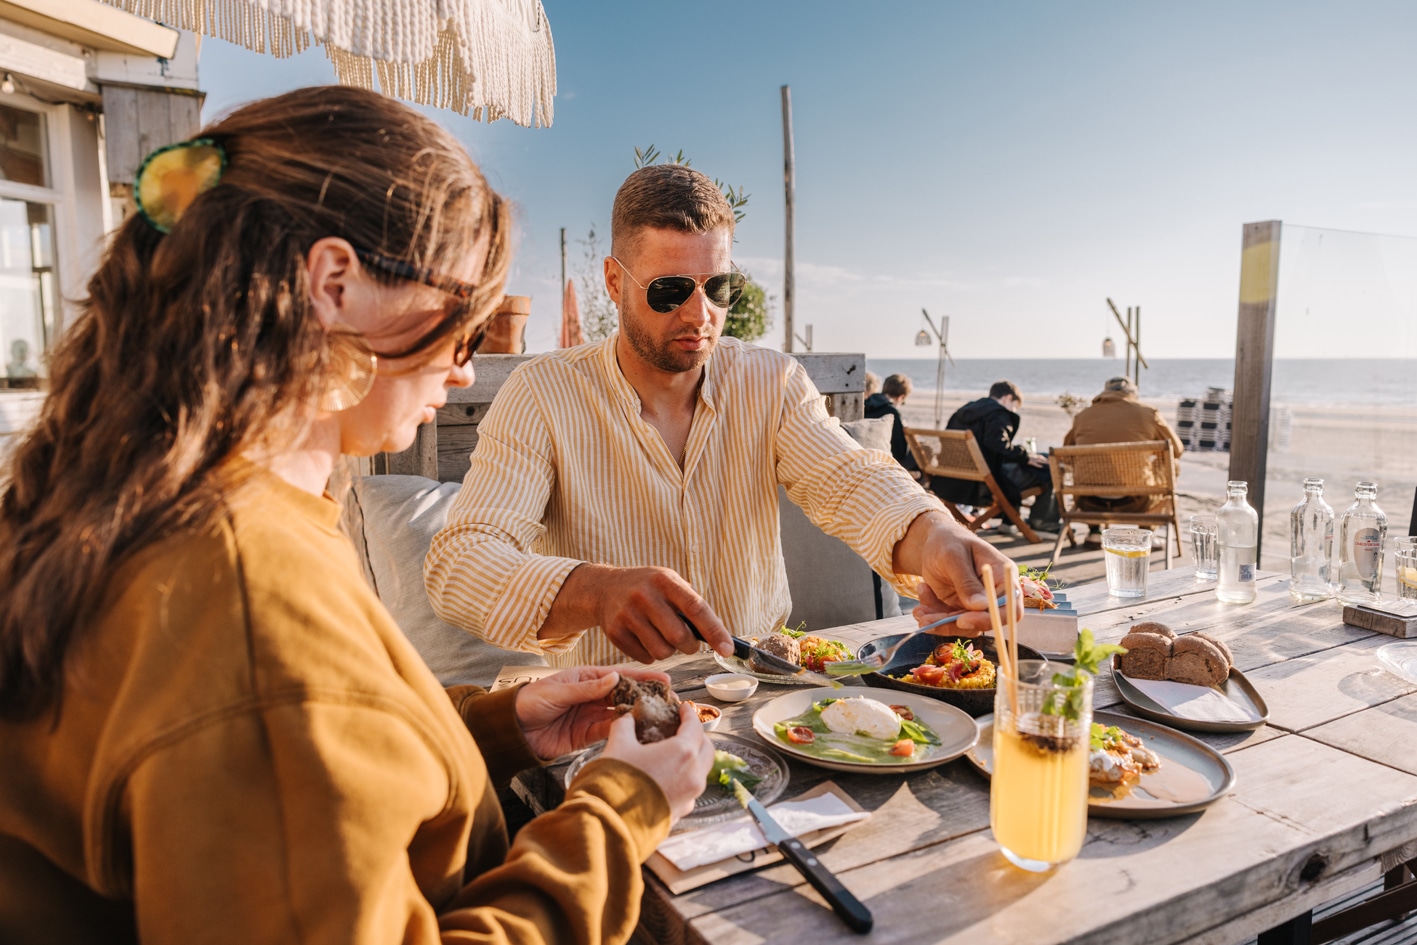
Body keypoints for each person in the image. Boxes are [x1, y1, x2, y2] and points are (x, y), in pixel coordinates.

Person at [0, 87, 712, 945]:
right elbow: (280, 716)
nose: (464, 368)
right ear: (335, 284)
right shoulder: (245, 599)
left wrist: (492, 727)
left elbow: (296, 782)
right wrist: (618, 808)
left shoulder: (155, 495)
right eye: (464, 320)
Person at [426, 164, 1018, 667]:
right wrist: (595, 591)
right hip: (608, 709)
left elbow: (852, 482)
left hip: (762, 692)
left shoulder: (771, 381)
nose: (700, 313)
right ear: (614, 280)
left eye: (719, 288)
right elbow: (464, 561)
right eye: (669, 291)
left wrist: (938, 534)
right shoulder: (542, 394)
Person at [1064, 375, 1185, 547]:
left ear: (1104, 393)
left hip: (1089, 501)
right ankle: (1146, 531)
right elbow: (1177, 450)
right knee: (1172, 464)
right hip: (1137, 502)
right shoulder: (1148, 412)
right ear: (1132, 394)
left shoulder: (1083, 416)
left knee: (1087, 467)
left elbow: (1066, 456)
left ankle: (1095, 531)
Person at [929, 380, 1062, 535]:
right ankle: (1043, 522)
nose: (1013, 411)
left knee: (1036, 461)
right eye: (1014, 406)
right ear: (1007, 398)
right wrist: (1025, 457)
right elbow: (997, 445)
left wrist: (1023, 456)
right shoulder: (998, 414)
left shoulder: (963, 412)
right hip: (980, 484)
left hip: (950, 480)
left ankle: (1009, 520)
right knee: (1047, 465)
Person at [864, 372, 920, 475]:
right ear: (900, 397)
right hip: (886, 460)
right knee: (919, 449)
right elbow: (900, 451)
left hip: (866, 457)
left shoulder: (866, 404)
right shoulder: (892, 412)